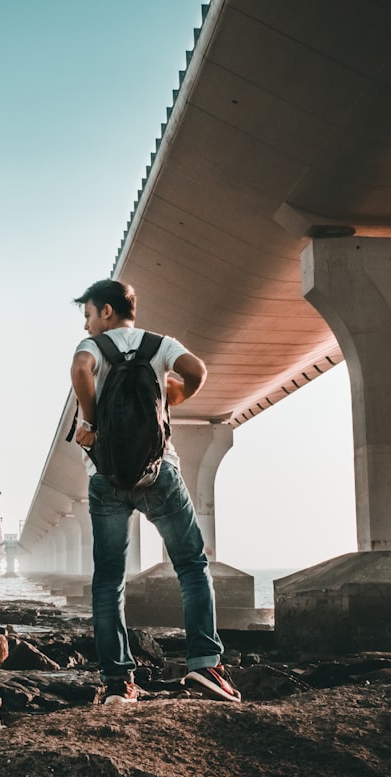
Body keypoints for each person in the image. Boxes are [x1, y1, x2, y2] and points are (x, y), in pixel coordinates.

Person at [70, 278, 241, 705]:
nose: (88, 324)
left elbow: (79, 372)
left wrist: (90, 423)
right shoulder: (161, 344)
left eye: (89, 314)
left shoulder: (92, 347)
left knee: (109, 581)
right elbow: (197, 372)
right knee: (191, 565)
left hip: (105, 476)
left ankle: (117, 684)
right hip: (159, 471)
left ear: (107, 311)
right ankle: (204, 665)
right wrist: (173, 397)